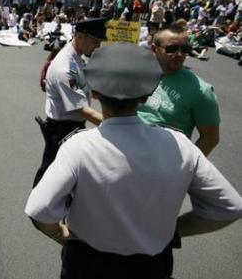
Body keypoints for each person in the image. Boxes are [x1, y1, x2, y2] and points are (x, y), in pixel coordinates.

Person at [25, 43, 242, 279]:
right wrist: (174, 230)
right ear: (147, 95)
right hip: (151, 266)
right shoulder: (180, 145)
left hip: (87, 263)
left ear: (95, 93)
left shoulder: (78, 146)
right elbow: (229, 208)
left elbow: (40, 210)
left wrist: (62, 234)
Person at [32, 18, 107, 187]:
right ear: (80, 36)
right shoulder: (65, 67)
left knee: (66, 176)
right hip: (62, 129)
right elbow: (83, 110)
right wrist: (116, 124)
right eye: (95, 41)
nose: (98, 46)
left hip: (71, 126)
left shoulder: (76, 58)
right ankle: (38, 211)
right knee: (52, 175)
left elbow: (86, 84)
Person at [137, 24, 220, 157]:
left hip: (163, 163)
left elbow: (210, 138)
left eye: (185, 49)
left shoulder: (201, 90)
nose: (180, 54)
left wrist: (186, 166)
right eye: (172, 48)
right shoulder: (136, 72)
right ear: (154, 49)